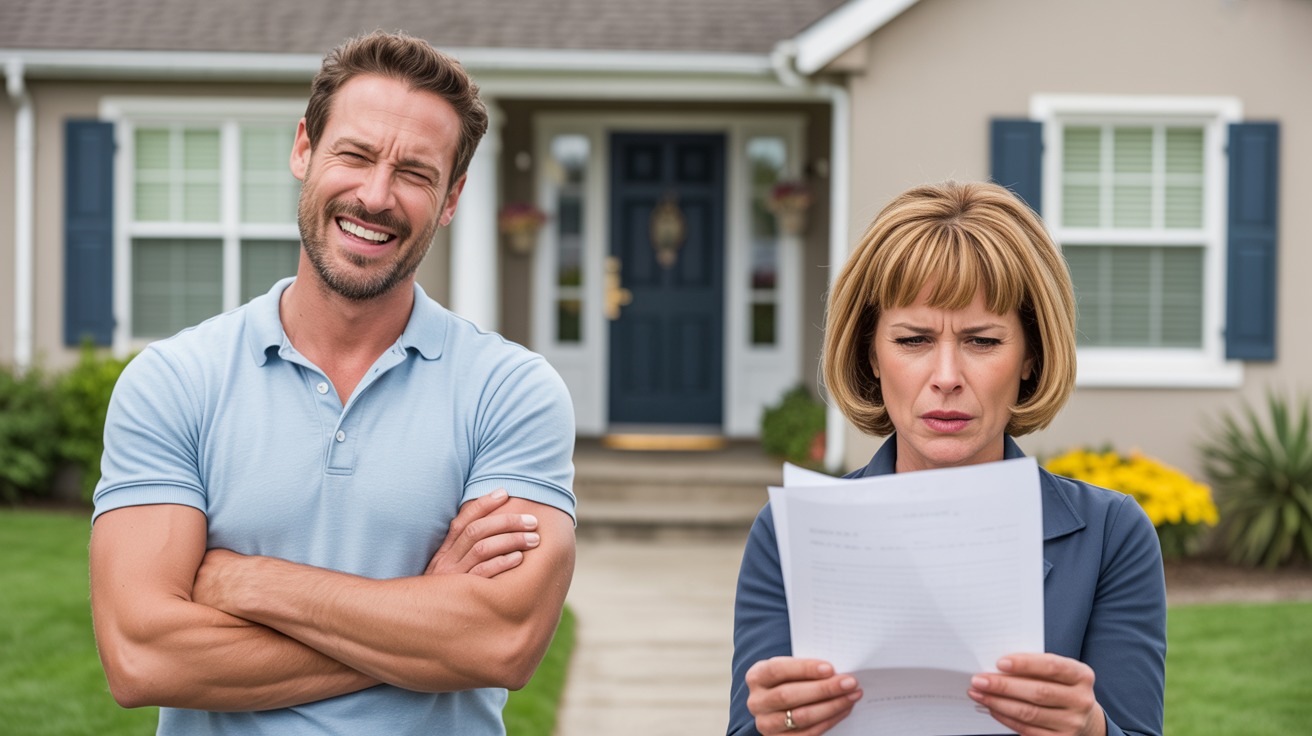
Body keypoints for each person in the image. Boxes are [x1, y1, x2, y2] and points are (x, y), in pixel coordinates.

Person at [89, 31, 577, 735]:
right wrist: (424, 623)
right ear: (303, 150)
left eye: (415, 172)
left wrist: (249, 582)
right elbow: (142, 656)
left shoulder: (512, 392)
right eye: (354, 154)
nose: (375, 195)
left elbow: (502, 642)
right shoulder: (174, 383)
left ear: (452, 198)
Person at [728, 181, 1165, 736]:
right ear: (871, 353)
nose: (947, 378)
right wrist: (778, 726)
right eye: (913, 340)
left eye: (982, 341)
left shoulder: (1111, 536)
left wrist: (1092, 730)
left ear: (1031, 355)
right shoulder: (788, 533)